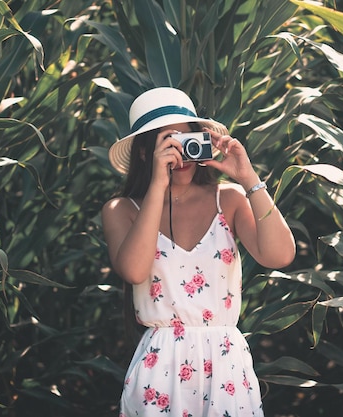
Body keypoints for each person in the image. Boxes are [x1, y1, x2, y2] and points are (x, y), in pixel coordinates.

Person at [102, 87, 295, 417]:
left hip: (225, 366)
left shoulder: (230, 200)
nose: (180, 152)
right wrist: (158, 186)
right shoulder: (122, 209)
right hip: (159, 367)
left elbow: (279, 256)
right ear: (146, 152)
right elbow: (134, 271)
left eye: (186, 140)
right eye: (168, 143)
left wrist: (248, 177)